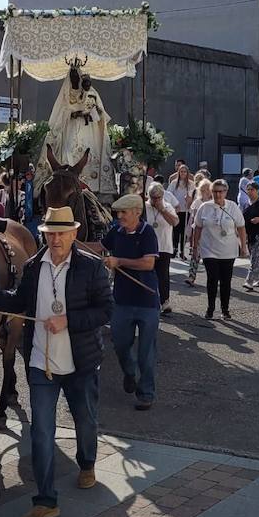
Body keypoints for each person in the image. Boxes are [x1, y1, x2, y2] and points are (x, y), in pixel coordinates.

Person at [0, 207, 113, 517]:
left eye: (62, 233)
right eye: (51, 233)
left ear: (73, 234)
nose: (56, 239)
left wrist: (69, 322)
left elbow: (105, 311)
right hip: (40, 363)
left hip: (80, 363)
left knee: (86, 420)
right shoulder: (33, 267)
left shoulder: (92, 267)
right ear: (44, 234)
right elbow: (18, 302)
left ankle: (87, 463)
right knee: (42, 433)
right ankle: (46, 500)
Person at [102, 194, 162, 409]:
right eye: (118, 213)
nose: (120, 216)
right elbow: (100, 246)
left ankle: (146, 393)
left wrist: (119, 261)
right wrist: (71, 241)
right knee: (119, 345)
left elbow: (148, 264)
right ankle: (129, 371)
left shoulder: (147, 233)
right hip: (122, 300)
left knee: (147, 352)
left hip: (147, 302)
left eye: (124, 212)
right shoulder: (116, 231)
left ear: (137, 212)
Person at [193, 179, 247, 318]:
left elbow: (241, 227)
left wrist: (243, 246)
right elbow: (197, 227)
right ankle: (210, 308)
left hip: (228, 249)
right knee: (212, 278)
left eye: (221, 192)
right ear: (211, 192)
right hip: (209, 248)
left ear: (226, 192)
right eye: (215, 192)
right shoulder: (204, 207)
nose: (218, 195)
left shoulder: (233, 206)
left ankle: (225, 309)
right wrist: (195, 247)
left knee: (226, 280)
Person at [144, 183, 178, 315]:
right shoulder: (144, 207)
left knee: (163, 276)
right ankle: (149, 301)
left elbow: (175, 222)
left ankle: (165, 301)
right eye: (153, 198)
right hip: (147, 247)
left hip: (164, 246)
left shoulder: (168, 206)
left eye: (158, 198)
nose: (156, 200)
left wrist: (162, 210)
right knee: (147, 275)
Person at [185, 179, 214, 287]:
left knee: (211, 258)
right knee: (195, 255)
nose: (205, 191)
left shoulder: (214, 202)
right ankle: (191, 277)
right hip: (199, 231)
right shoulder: (197, 202)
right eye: (203, 189)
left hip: (211, 234)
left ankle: (214, 278)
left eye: (207, 189)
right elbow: (194, 220)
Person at [167, 162, 194, 259]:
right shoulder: (174, 183)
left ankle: (182, 251)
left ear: (187, 173)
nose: (183, 173)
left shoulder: (191, 184)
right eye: (181, 172)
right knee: (176, 230)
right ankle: (174, 249)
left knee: (184, 231)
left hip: (186, 209)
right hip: (176, 210)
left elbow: (193, 196)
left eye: (185, 172)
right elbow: (169, 194)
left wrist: (189, 199)